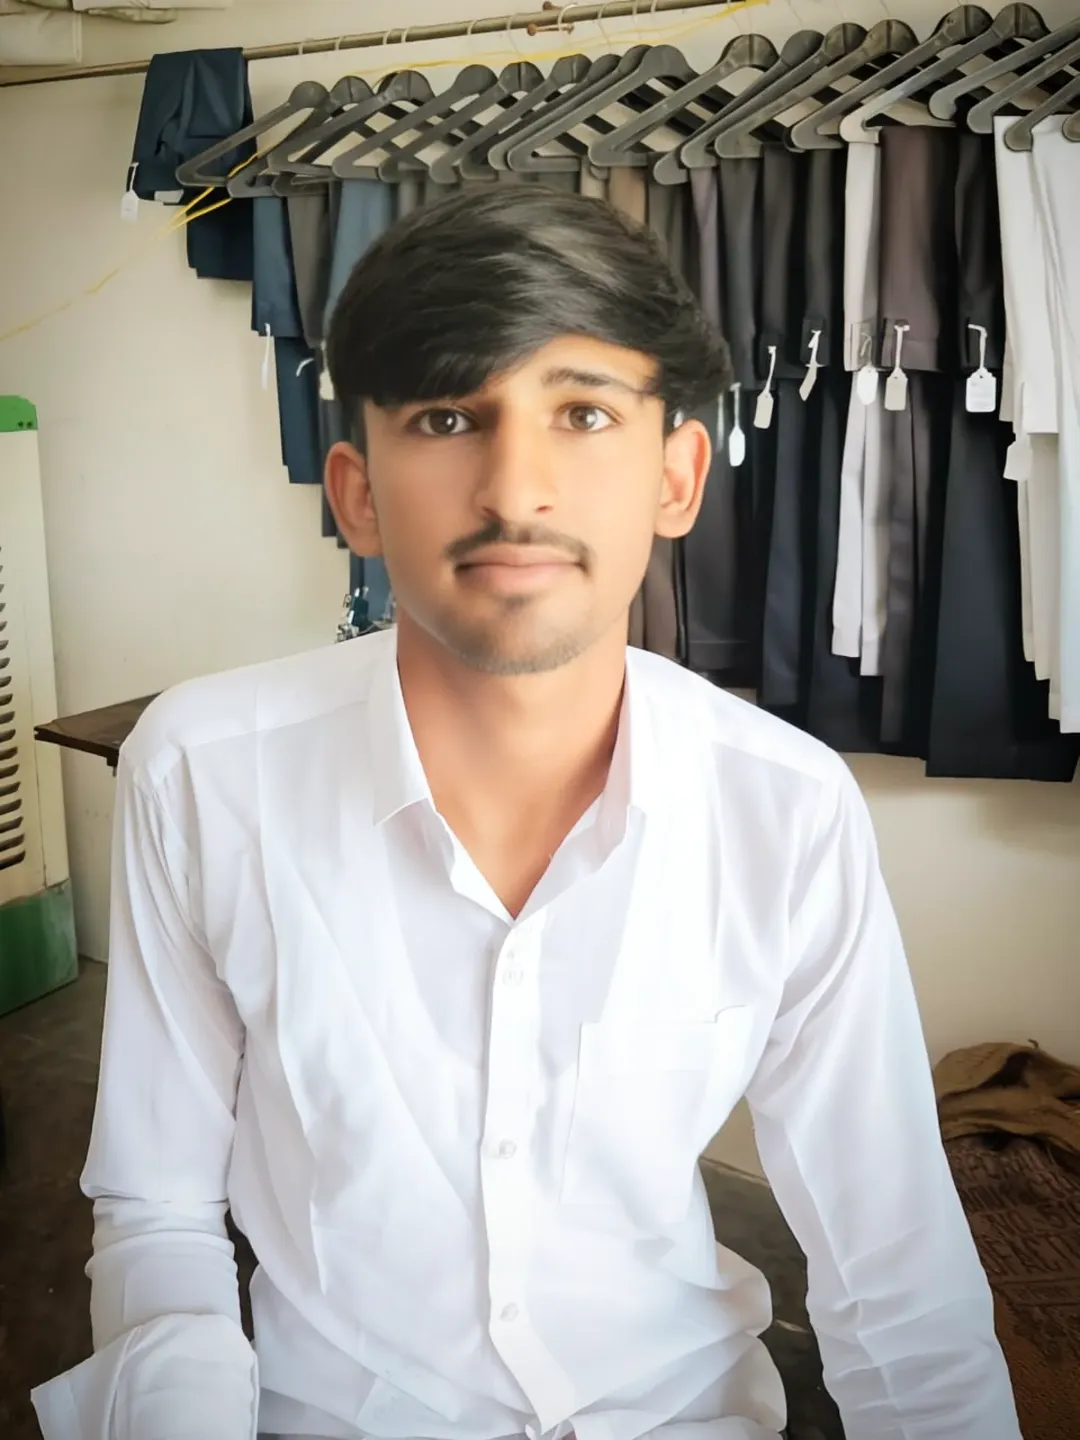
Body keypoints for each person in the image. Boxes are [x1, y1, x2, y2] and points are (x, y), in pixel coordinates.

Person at [33, 189, 1019, 1440]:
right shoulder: (202, 773)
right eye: (448, 417)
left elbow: (895, 1270)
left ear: (676, 476)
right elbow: (158, 1208)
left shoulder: (784, 807)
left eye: (584, 413)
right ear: (357, 492)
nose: (516, 487)